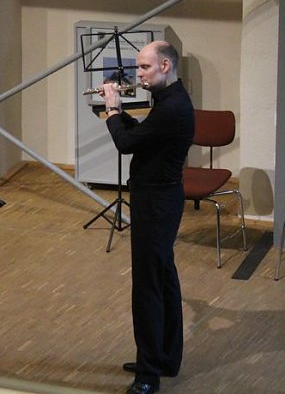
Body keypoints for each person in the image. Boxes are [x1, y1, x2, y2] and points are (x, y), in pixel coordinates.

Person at [100, 41, 194, 394]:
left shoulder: (172, 107)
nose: (138, 74)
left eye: (144, 67)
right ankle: (165, 358)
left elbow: (126, 144)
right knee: (163, 278)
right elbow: (141, 137)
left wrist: (112, 110)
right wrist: (118, 113)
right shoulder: (169, 100)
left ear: (165, 65)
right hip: (159, 199)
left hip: (156, 204)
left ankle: (148, 375)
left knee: (147, 288)